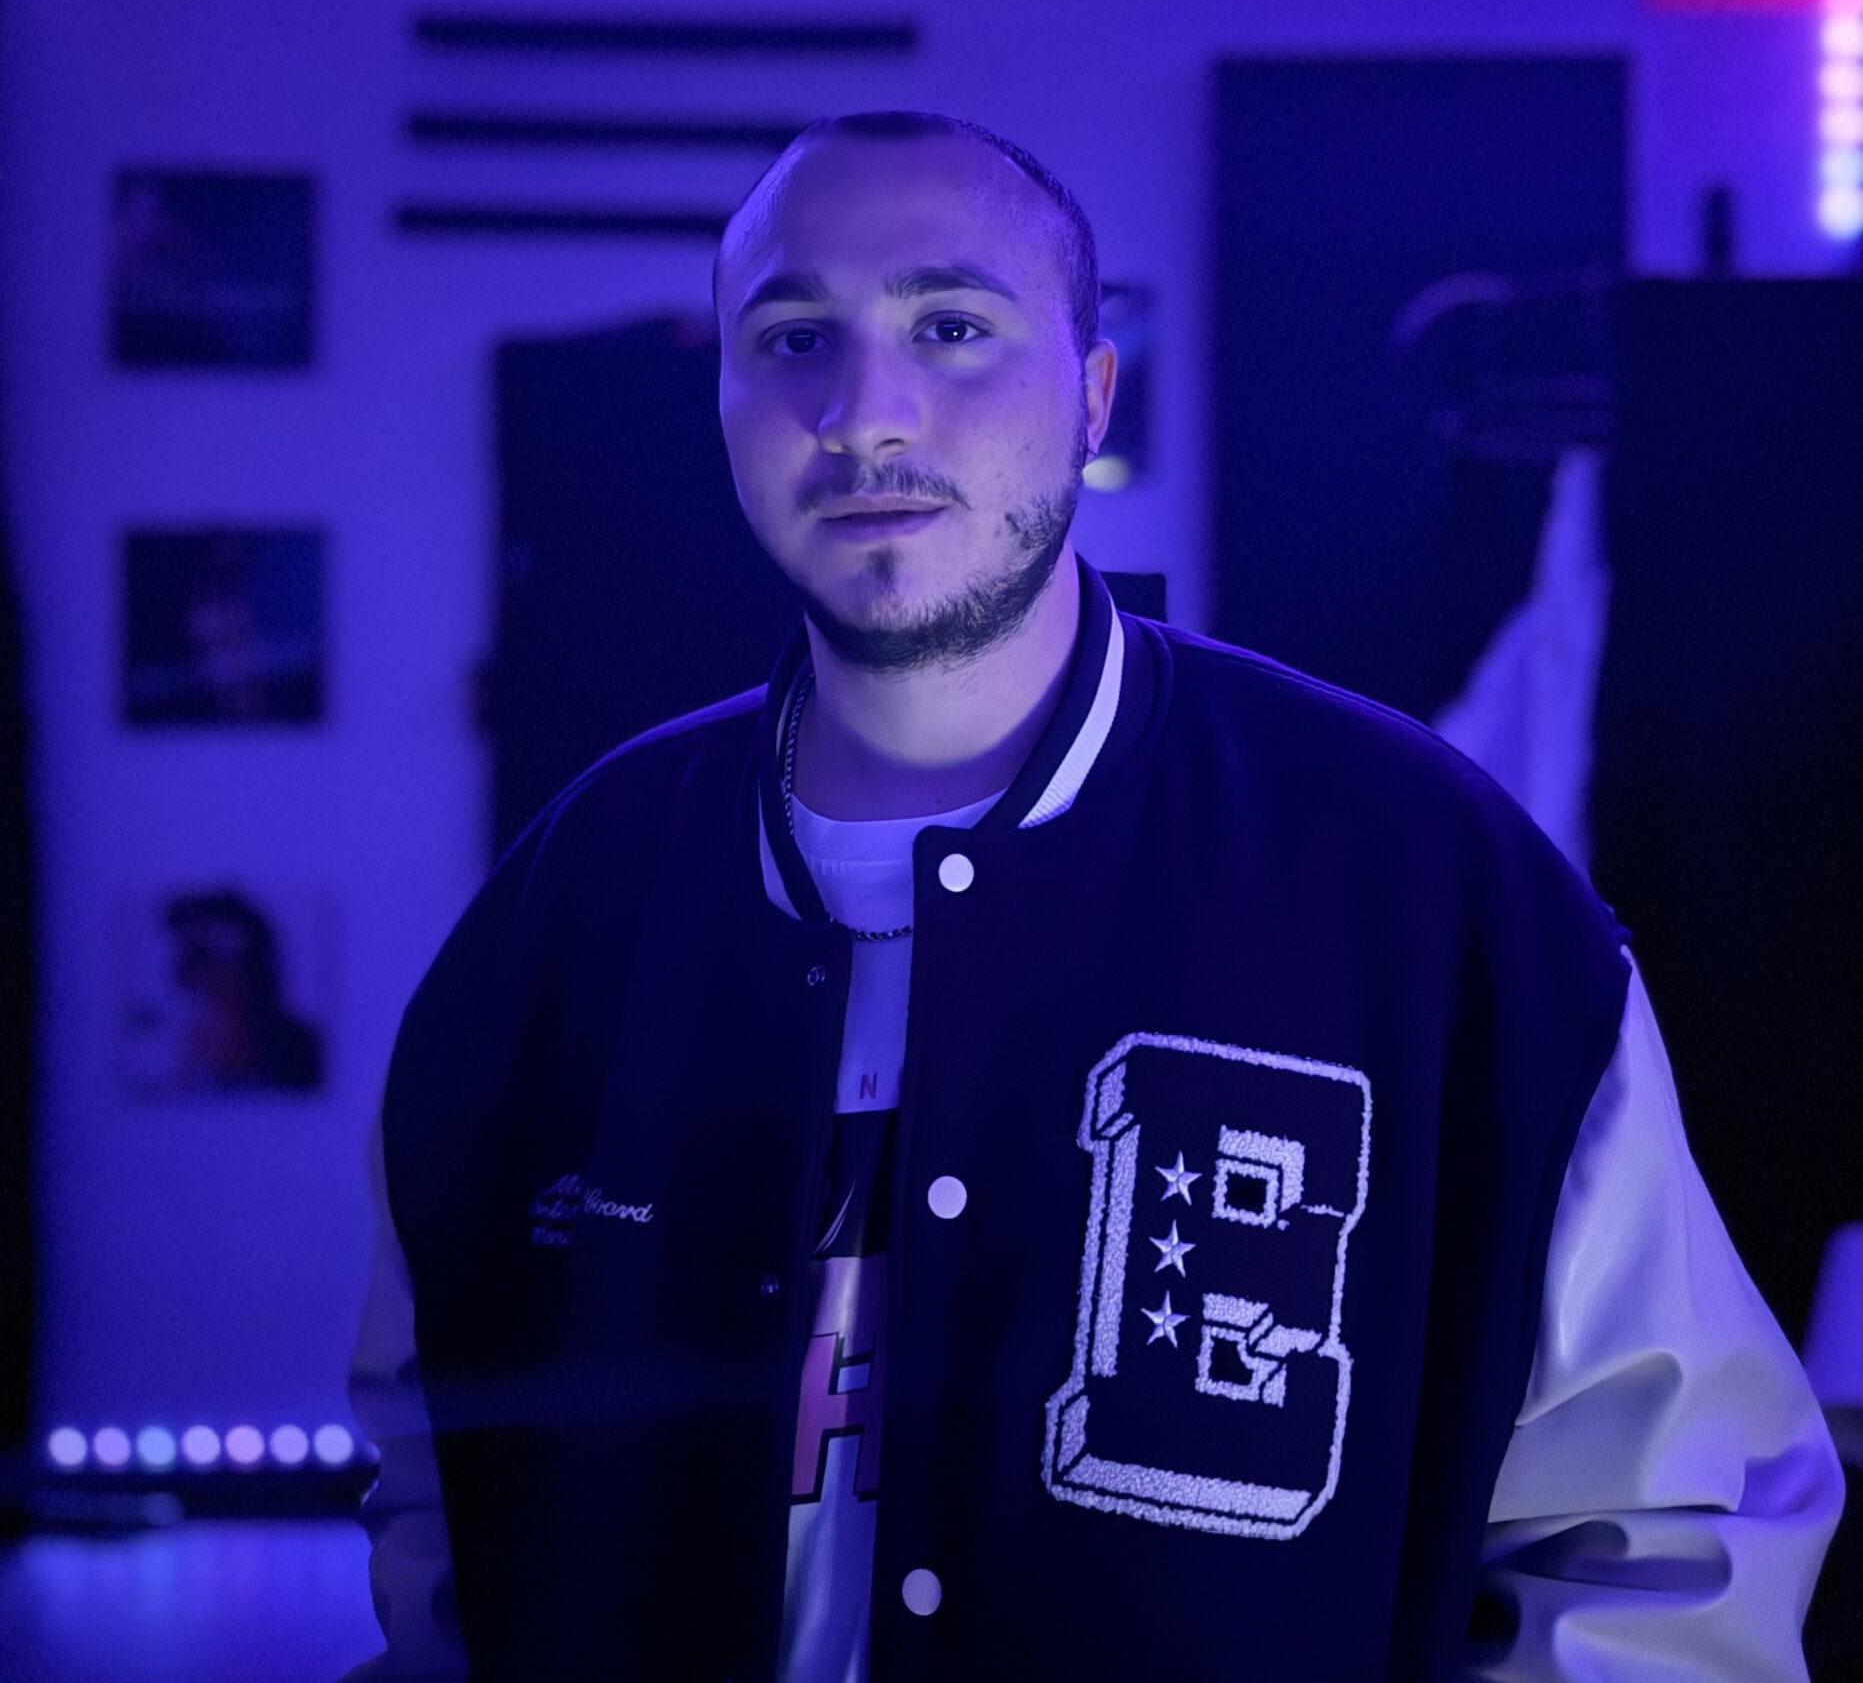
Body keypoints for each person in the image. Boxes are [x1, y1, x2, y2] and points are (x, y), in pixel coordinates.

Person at [346, 111, 1840, 1681]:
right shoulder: (568, 907)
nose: (863, 413)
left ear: (1092, 394)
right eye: (793, 340)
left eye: (951, 327)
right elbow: (438, 1474)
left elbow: (1664, 1536)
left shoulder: (1424, 883)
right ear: (722, 405)